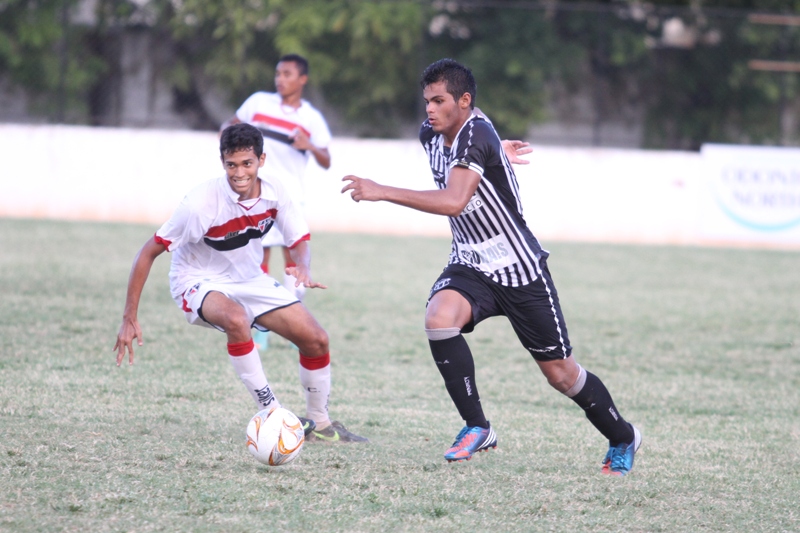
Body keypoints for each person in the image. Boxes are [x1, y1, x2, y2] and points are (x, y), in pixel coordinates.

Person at [341, 58, 640, 474]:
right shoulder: (434, 133)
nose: (429, 109)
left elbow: (453, 200)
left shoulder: (477, 132)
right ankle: (477, 426)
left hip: (519, 270)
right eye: (427, 100)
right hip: (470, 262)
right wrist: (497, 152)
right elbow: (471, 152)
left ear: (464, 101)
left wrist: (381, 191)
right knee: (439, 318)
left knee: (560, 374)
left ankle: (623, 436)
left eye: (440, 100)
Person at [114, 123, 367, 444]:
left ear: (261, 159)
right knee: (236, 319)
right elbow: (147, 252)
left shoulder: (276, 192)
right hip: (197, 280)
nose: (239, 173)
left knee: (316, 339)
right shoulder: (200, 204)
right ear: (222, 162)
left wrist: (303, 265)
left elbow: (298, 238)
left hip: (249, 279)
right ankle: (275, 417)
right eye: (231, 164)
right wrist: (129, 317)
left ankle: (320, 425)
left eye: (247, 163)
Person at [222, 53, 331, 304]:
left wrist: (311, 146)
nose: (280, 79)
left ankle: (293, 315)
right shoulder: (259, 102)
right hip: (256, 195)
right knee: (257, 256)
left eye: (287, 74)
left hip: (291, 196)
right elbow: (231, 125)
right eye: (278, 73)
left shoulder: (310, 117)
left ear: (302, 79)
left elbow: (326, 160)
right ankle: (261, 327)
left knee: (293, 257)